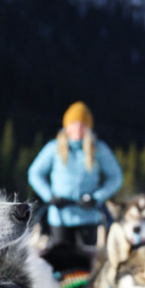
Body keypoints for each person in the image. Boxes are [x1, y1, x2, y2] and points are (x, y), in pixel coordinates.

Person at [28, 101, 123, 274]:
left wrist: (96, 198)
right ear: (66, 126)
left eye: (82, 124)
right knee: (59, 265)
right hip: (60, 218)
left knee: (86, 267)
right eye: (73, 124)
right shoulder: (54, 148)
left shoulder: (98, 149)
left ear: (88, 128)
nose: (78, 128)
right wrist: (50, 196)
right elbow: (35, 173)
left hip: (88, 218)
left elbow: (116, 177)